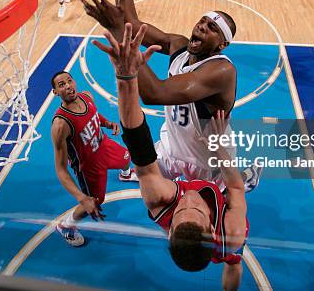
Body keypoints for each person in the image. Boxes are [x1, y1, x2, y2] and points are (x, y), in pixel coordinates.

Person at [81, 0, 261, 192]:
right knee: (148, 180)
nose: (201, 27)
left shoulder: (221, 71)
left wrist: (117, 31)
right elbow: (132, 26)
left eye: (212, 28)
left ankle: (244, 179)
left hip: (207, 161)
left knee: (212, 216)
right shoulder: (179, 45)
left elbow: (154, 93)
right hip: (170, 148)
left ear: (222, 45)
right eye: (202, 21)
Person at [94, 23, 248, 289]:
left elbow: (138, 142)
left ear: (171, 228)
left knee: (145, 165)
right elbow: (235, 186)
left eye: (181, 210)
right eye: (196, 209)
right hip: (218, 189)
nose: (189, 198)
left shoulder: (160, 202)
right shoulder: (229, 233)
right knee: (233, 260)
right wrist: (219, 146)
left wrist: (127, 78)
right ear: (212, 228)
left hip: (170, 179)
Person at [51, 71, 138, 247]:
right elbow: (60, 170)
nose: (68, 86)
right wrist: (82, 198)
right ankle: (66, 226)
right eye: (61, 85)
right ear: (55, 92)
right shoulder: (61, 125)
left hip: (104, 145)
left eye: (69, 81)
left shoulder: (87, 96)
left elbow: (94, 114)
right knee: (95, 202)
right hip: (89, 166)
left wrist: (107, 124)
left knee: (126, 156)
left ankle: (126, 175)